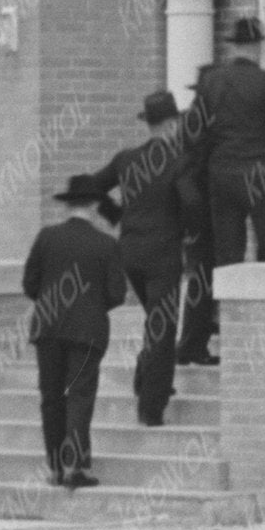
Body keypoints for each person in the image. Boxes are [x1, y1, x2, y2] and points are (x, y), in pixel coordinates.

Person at [185, 9, 265, 343]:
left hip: (222, 175)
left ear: (234, 46)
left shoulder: (211, 82)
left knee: (228, 254)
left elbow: (194, 133)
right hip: (262, 174)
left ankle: (232, 328)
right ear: (256, 47)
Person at [19, 172, 126, 489]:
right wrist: (91, 306)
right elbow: (117, 293)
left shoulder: (46, 237)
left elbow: (30, 284)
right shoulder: (106, 244)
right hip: (88, 330)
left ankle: (54, 466)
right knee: (79, 396)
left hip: (48, 328)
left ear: (68, 205)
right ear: (94, 204)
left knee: (51, 397)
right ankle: (74, 466)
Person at [102, 84, 193, 423]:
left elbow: (92, 185)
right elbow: (192, 204)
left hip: (130, 254)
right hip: (163, 254)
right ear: (172, 125)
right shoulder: (177, 161)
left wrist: (118, 216)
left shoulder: (126, 160)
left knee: (156, 320)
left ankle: (149, 377)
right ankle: (150, 407)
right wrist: (189, 231)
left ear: (148, 124)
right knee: (163, 326)